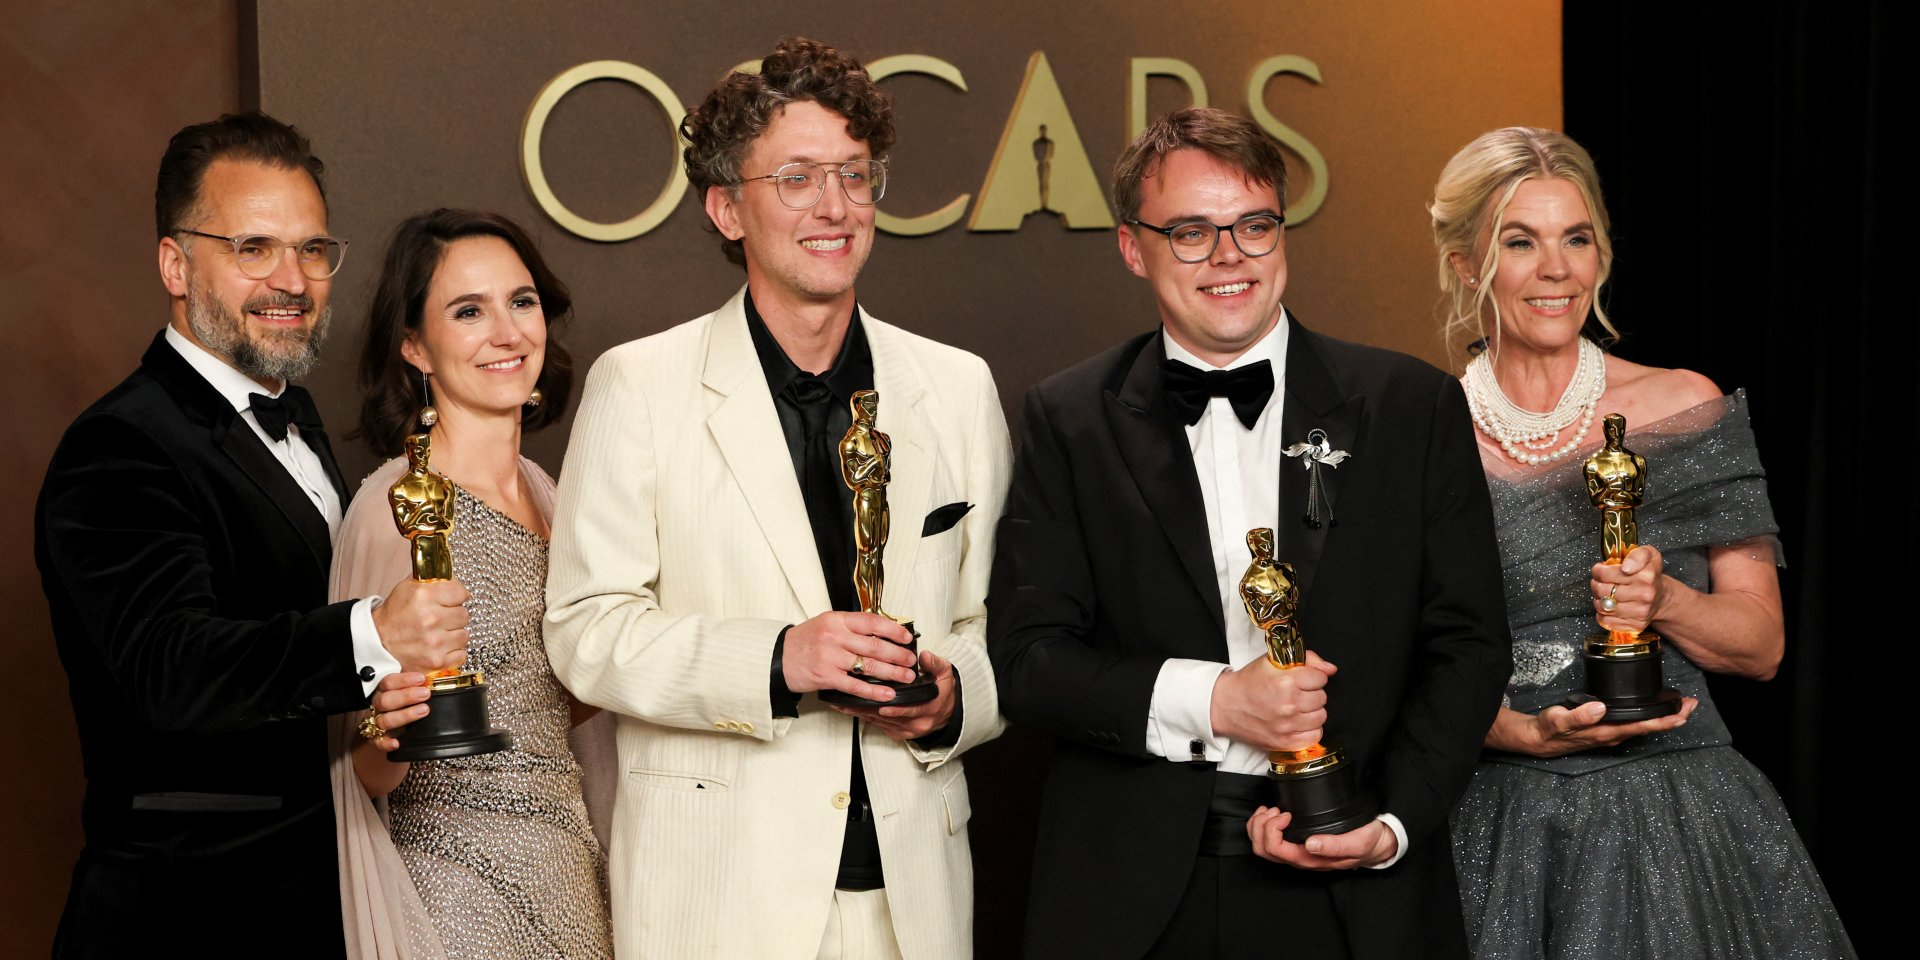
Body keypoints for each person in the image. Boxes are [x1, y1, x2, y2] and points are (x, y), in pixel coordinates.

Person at [988, 106, 1513, 960]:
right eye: (1191, 232)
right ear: (1133, 248)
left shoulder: (1409, 405)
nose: (1229, 256)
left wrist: (1390, 823)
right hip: (1132, 899)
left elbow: (1469, 642)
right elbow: (1028, 659)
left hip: (1356, 887)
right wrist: (1219, 700)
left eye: (1253, 226)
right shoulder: (1070, 417)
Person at [543, 37, 1010, 960]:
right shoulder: (639, 385)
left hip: (915, 899)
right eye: (796, 178)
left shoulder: (958, 388)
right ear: (725, 208)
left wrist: (954, 698)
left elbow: (994, 624)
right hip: (718, 899)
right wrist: (779, 658)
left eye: (853, 174)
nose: (834, 208)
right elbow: (585, 632)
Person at [33, 113, 467, 958]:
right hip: (186, 916)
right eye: (253, 248)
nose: (292, 279)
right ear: (175, 262)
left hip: (322, 898)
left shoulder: (298, 416)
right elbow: (172, 669)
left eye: (311, 250)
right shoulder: (120, 445)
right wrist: (373, 633)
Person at [1428, 126, 1855, 959]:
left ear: (1602, 254)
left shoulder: (1682, 407)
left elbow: (1762, 645)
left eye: (1576, 238)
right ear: (1466, 265)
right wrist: (1511, 730)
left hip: (1678, 818)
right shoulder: (1419, 434)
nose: (1557, 269)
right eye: (1521, 241)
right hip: (1492, 826)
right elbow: (1398, 664)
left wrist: (1666, 601)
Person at [326, 209, 613, 959]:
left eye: (521, 302)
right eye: (468, 311)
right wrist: (384, 726)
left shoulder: (551, 493)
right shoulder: (396, 506)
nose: (507, 332)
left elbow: (575, 707)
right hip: (456, 898)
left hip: (571, 876)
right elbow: (358, 763)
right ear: (414, 346)